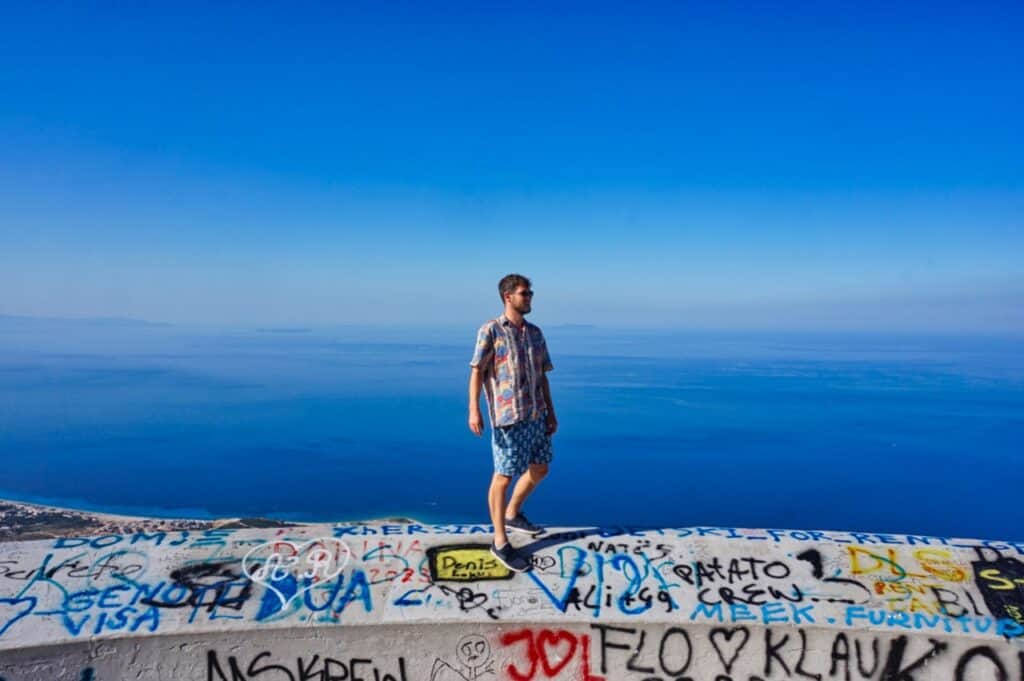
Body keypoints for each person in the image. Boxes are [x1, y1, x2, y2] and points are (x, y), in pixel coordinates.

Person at [468, 273, 557, 572]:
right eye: (524, 293)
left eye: (530, 293)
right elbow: (477, 371)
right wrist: (474, 410)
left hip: (536, 413)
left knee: (540, 468)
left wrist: (552, 412)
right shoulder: (490, 331)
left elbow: (542, 374)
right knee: (503, 476)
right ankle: (500, 542)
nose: (529, 297)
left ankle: (512, 513)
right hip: (508, 418)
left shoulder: (535, 333)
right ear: (508, 296)